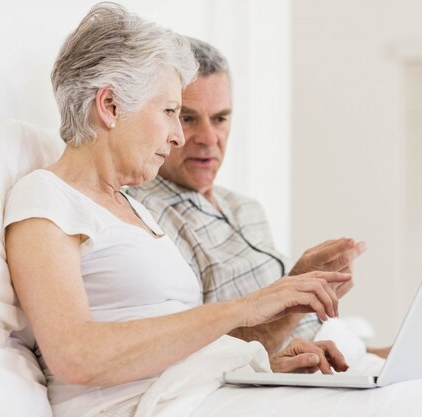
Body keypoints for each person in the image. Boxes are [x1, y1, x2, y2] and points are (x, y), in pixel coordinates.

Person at [4, 4, 352, 416]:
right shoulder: (46, 197)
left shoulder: (132, 208)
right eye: (170, 111)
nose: (178, 136)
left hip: (199, 395)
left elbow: (168, 349)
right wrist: (245, 307)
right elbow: (75, 355)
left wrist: (262, 368)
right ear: (111, 106)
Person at [126, 38, 382, 357]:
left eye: (220, 118)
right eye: (188, 118)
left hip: (335, 352)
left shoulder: (246, 208)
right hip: (273, 377)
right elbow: (194, 352)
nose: (209, 138)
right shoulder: (142, 216)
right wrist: (296, 294)